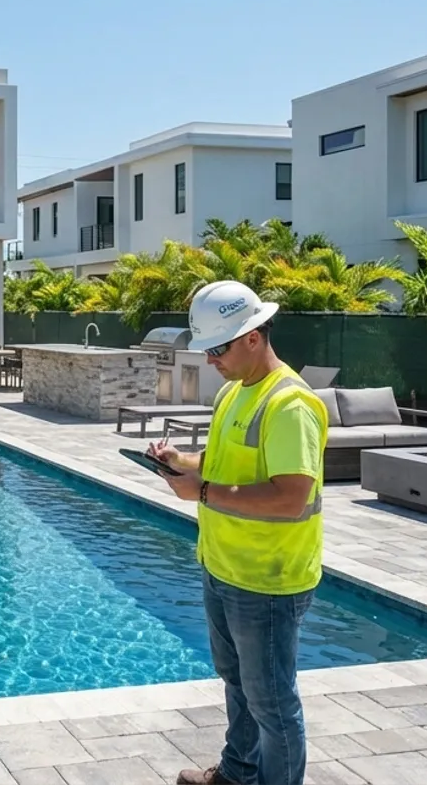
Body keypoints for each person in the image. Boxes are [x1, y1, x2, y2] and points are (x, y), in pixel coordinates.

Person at [149, 280, 328, 785]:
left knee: (272, 703)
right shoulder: (233, 393)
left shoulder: (290, 404)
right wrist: (179, 462)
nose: (211, 360)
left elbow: (292, 496)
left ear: (253, 336)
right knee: (238, 684)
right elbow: (224, 463)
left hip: (268, 580)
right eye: (206, 349)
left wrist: (202, 493)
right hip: (223, 566)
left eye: (218, 348)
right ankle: (236, 773)